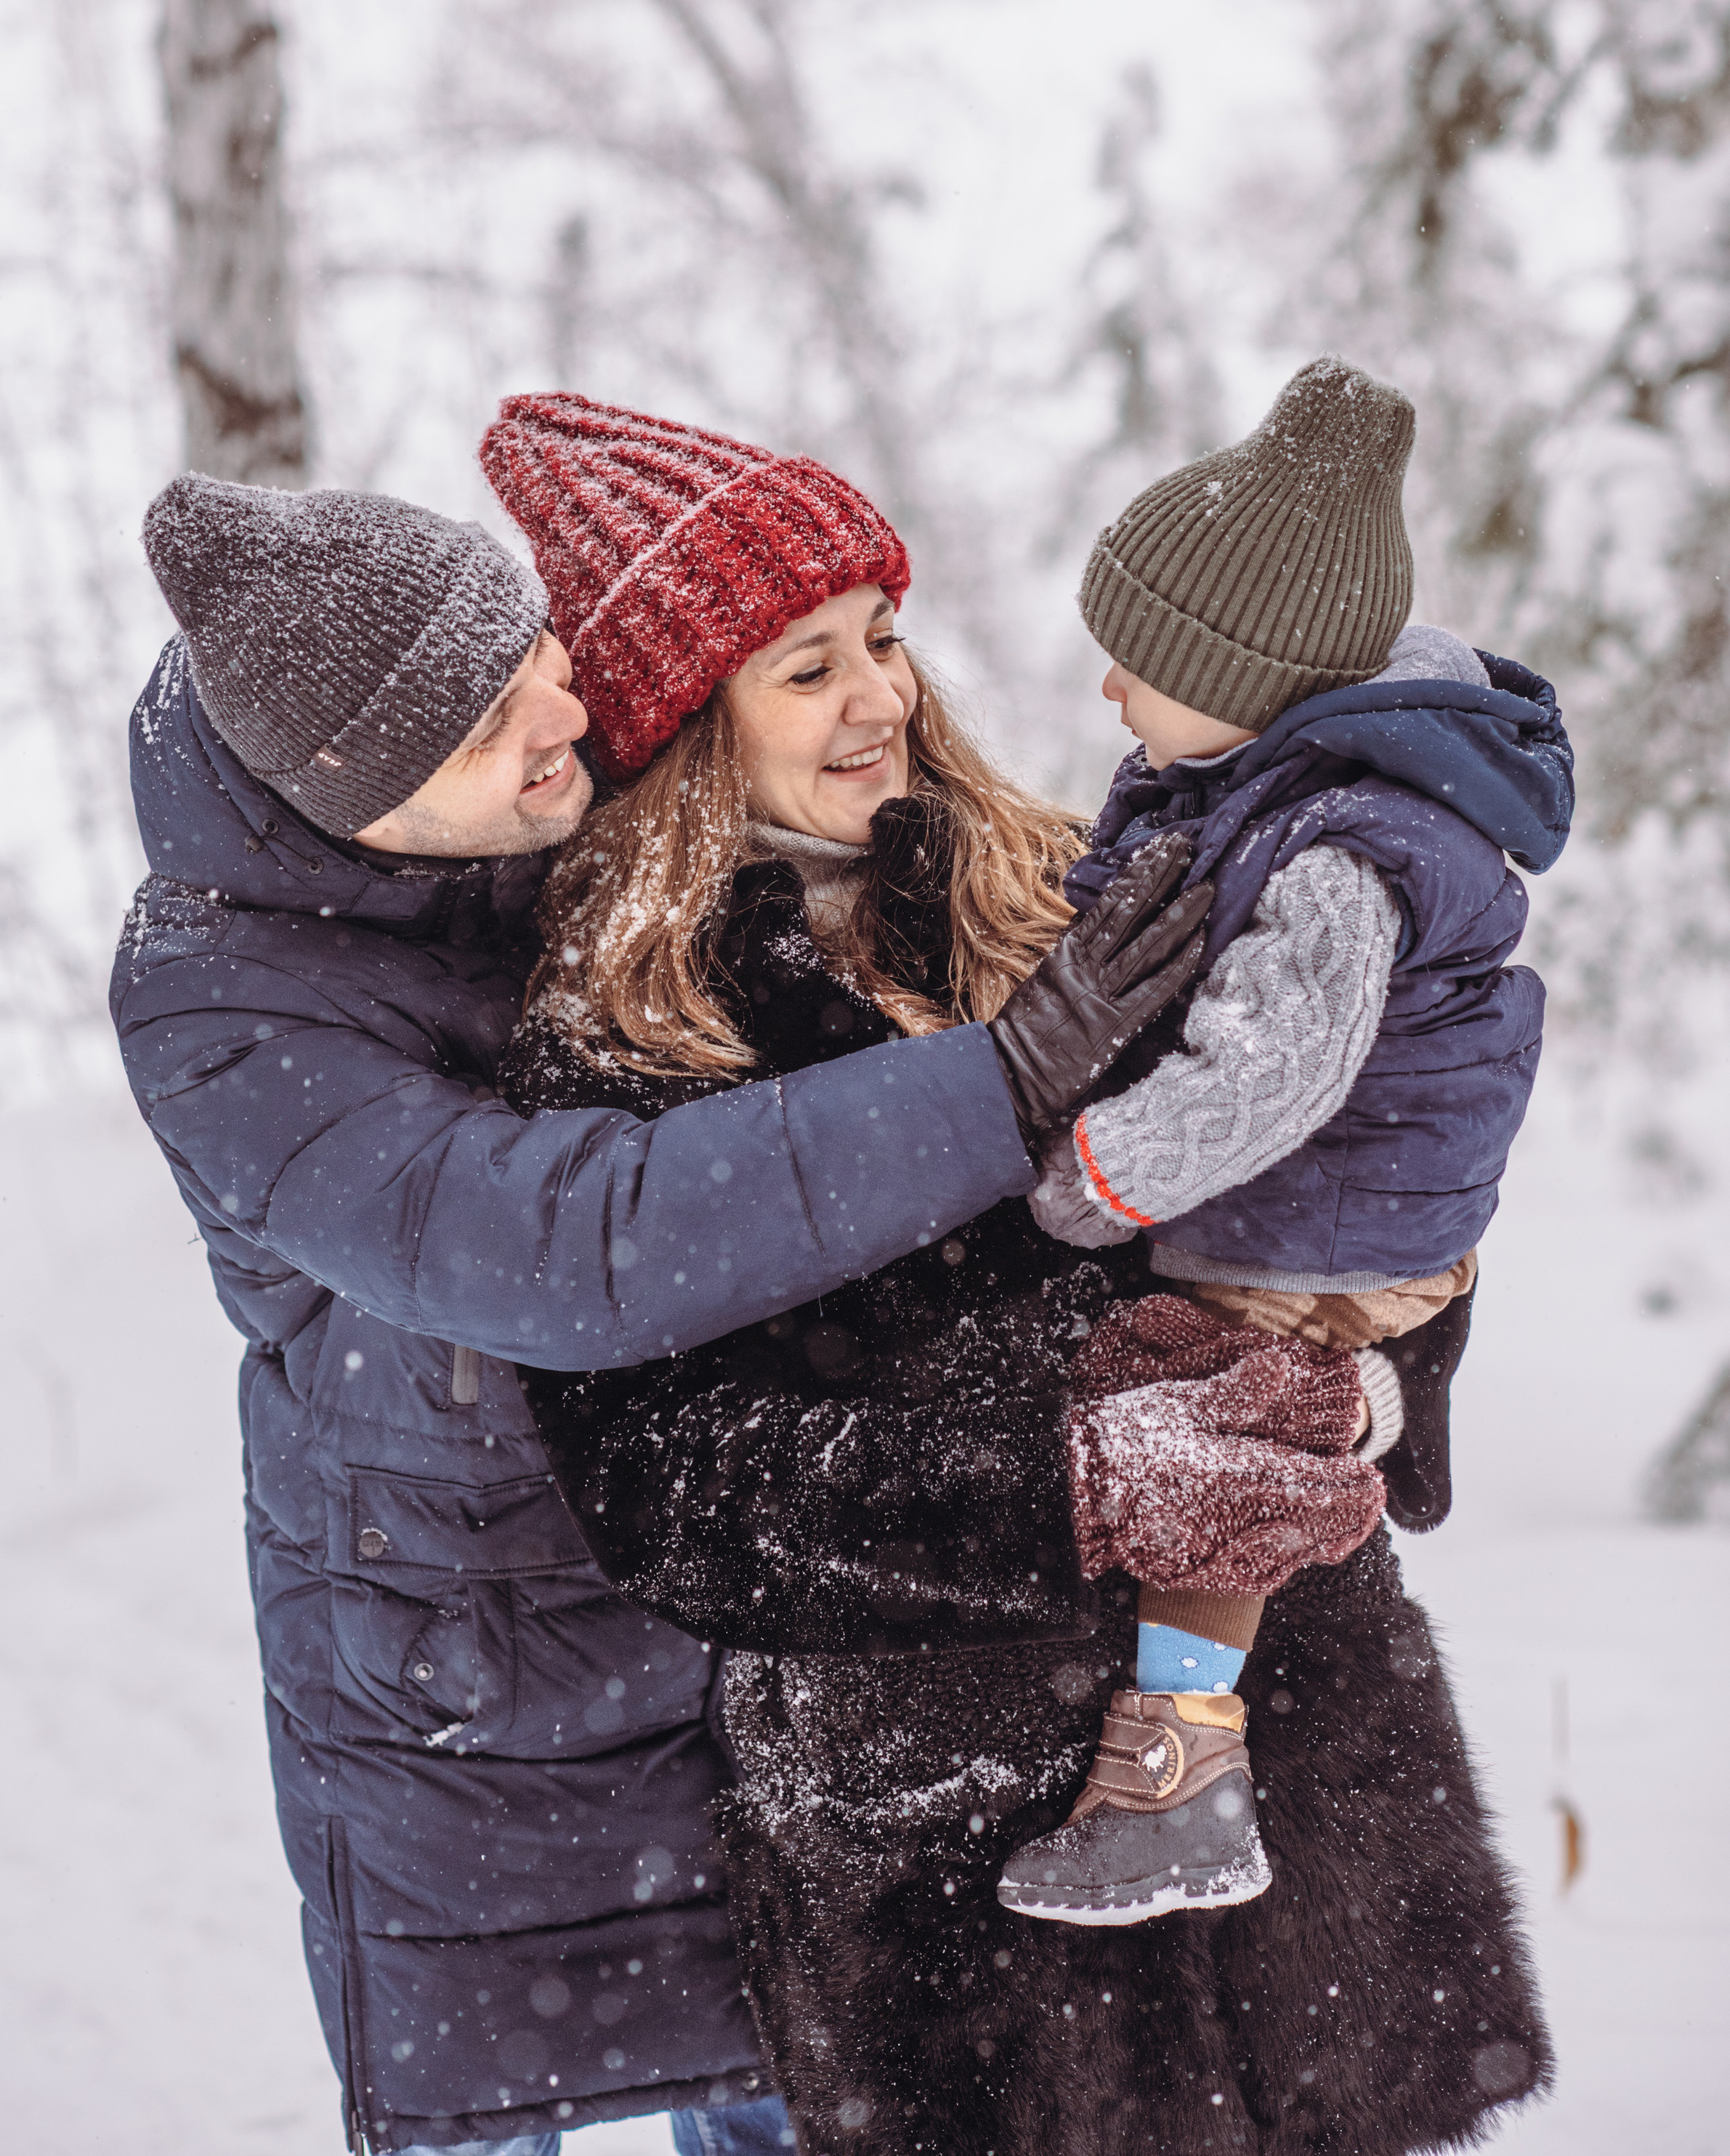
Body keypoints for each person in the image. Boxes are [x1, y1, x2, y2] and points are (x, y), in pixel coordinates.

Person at [484, 389, 1554, 2156]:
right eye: (806, 667)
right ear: (680, 729)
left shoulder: (1078, 881)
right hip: (961, 1843)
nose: (882, 698)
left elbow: (1371, 1173)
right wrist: (1071, 1482)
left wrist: (1371, 1391)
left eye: (882, 637)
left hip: (1291, 1769)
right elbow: (673, 1490)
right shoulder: (624, 1044)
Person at [109, 468, 1202, 2156]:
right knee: (486, 2101)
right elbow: (563, 1243)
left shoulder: (562, 811)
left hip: (715, 1573)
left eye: (536, 659)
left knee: (791, 2079)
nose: (567, 718)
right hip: (465, 1656)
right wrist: (992, 1090)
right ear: (357, 796)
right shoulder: (219, 1001)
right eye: (490, 724)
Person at [995, 354, 1575, 1923]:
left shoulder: (1336, 852)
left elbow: (1269, 1076)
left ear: (1251, 677)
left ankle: (1176, 1778)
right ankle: (1365, 1414)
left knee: (1208, 1442)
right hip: (1336, 1213)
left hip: (1317, 1224)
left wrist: (1090, 1179)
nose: (1107, 692)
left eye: (1138, 662)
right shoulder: (1279, 787)